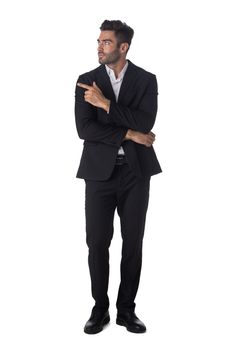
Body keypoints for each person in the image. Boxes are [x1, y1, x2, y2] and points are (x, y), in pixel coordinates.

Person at [75, 20, 162, 334]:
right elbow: (85, 130)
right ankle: (100, 309)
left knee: (133, 243)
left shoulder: (146, 80)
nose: (99, 47)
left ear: (123, 47)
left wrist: (106, 105)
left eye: (106, 42)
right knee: (97, 242)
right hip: (98, 174)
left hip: (136, 173)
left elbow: (146, 120)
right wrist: (129, 132)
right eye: (99, 41)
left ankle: (126, 310)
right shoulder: (86, 81)